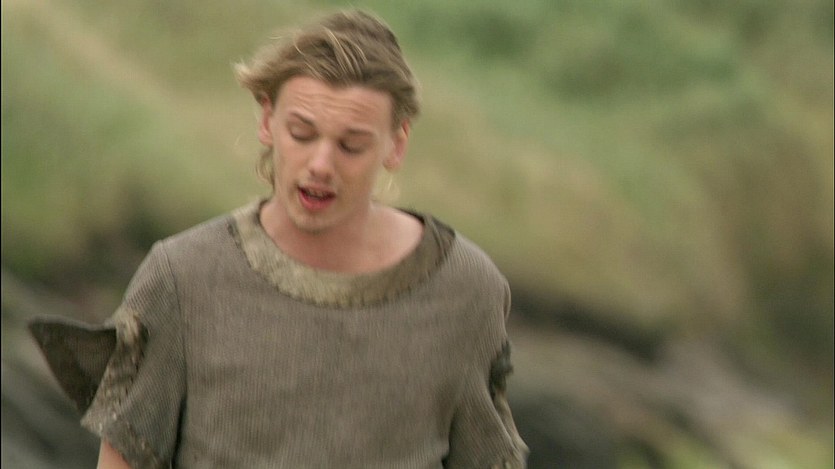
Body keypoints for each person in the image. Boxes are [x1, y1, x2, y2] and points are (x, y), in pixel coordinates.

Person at [29, 9, 528, 468]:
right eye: (302, 133)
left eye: (351, 145)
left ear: (396, 143)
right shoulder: (183, 279)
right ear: (267, 120)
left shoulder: (465, 291)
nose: (321, 164)